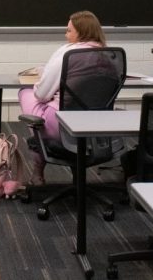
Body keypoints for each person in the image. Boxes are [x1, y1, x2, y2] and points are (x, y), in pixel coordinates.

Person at [18, 10, 106, 184]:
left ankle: (38, 170)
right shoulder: (109, 56)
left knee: (26, 93)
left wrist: (40, 83)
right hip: (99, 127)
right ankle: (75, 172)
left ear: (81, 33)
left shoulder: (69, 53)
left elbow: (41, 94)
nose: (66, 35)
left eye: (69, 31)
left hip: (64, 126)